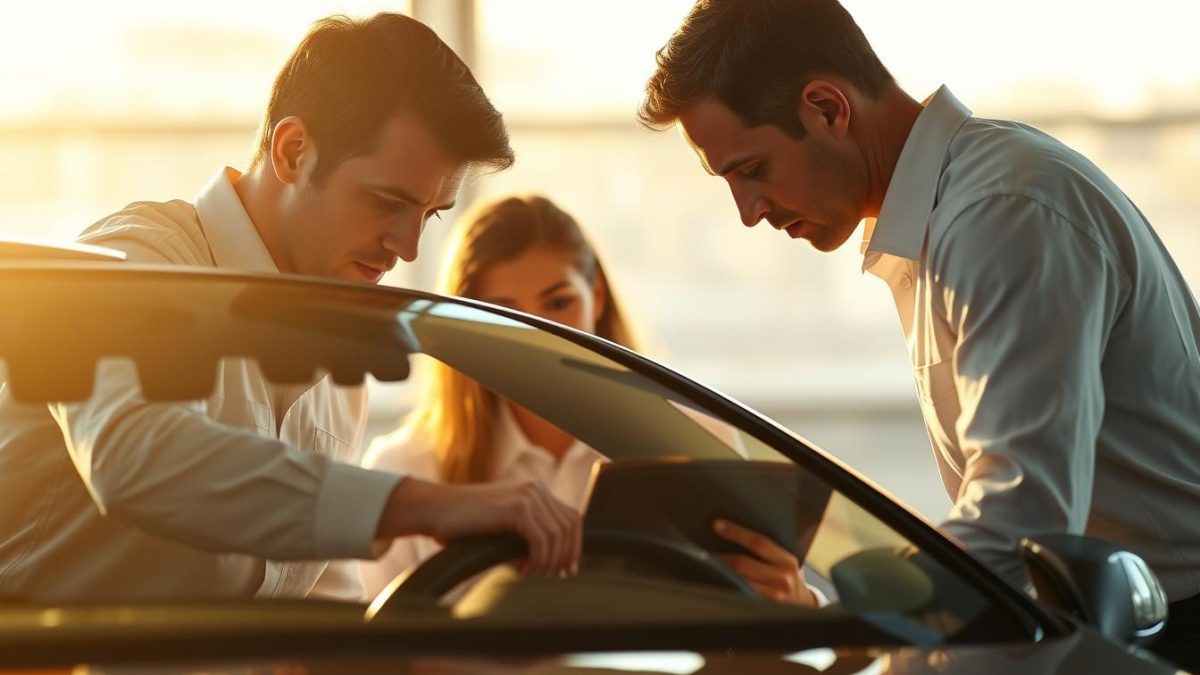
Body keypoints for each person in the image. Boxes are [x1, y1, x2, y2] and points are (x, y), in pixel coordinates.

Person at [637, 0, 1200, 666]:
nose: (748, 213)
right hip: (1111, 624)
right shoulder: (950, 214)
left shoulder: (1001, 215)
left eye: (752, 169)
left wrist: (848, 634)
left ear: (827, 109)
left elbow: (1022, 515)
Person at [0, 13, 579, 604]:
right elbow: (133, 454)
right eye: (386, 201)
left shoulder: (337, 354)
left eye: (429, 215)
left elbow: (323, 603)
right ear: (293, 151)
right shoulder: (132, 259)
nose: (407, 248)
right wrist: (426, 505)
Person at [360, 194, 818, 606]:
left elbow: (763, 611)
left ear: (596, 296)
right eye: (503, 315)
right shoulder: (408, 471)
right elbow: (370, 646)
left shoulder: (693, 439)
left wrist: (797, 603)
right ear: (466, 328)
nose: (536, 337)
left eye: (558, 303)